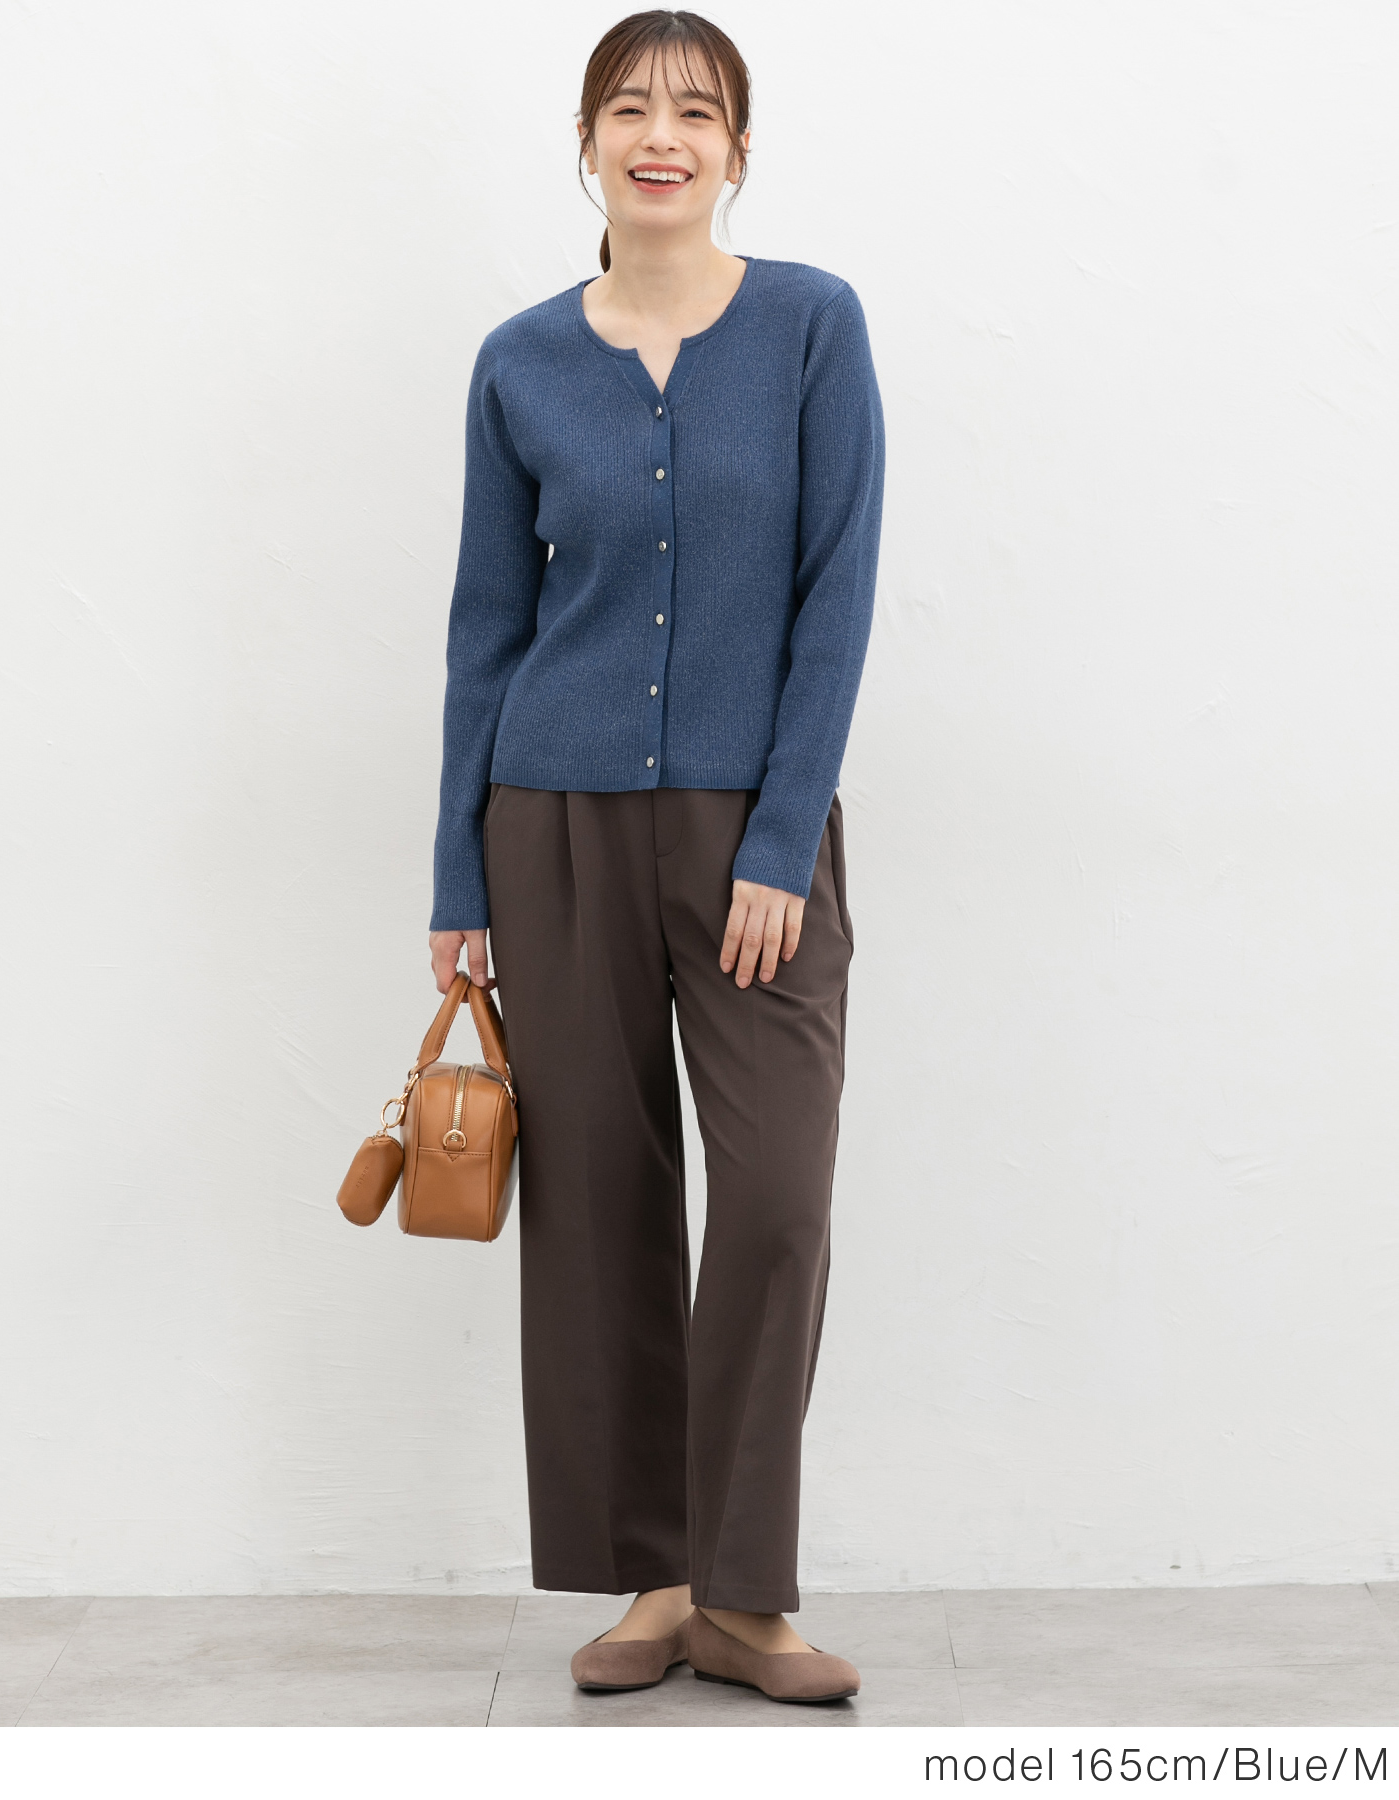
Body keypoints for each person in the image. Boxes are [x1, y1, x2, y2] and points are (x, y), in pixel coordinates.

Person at [427, 9, 884, 1705]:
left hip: (756, 836)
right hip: (550, 828)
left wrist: (781, 835)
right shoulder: (520, 361)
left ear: (739, 150)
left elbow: (835, 596)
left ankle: (748, 1596)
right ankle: (658, 1579)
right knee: (602, 1210)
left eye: (696, 111)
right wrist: (458, 883)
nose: (661, 135)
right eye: (629, 108)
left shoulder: (814, 327)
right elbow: (487, 628)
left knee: (773, 1199)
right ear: (587, 144)